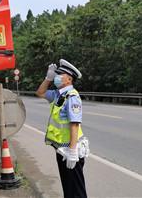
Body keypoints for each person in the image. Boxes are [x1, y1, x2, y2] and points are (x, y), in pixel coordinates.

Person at [36, 58, 88, 198]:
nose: (57, 77)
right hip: (61, 149)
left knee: (76, 190)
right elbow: (40, 93)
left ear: (69, 79)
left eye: (60, 75)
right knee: (68, 187)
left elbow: (75, 124)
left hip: (71, 150)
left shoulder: (72, 96)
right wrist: (48, 78)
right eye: (56, 74)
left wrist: (72, 151)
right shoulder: (58, 95)